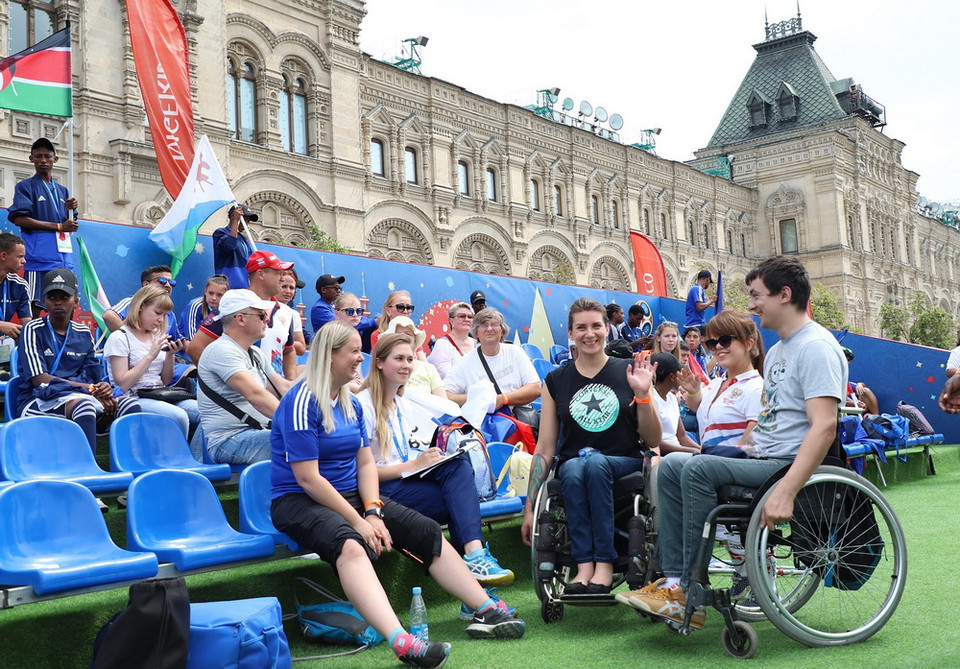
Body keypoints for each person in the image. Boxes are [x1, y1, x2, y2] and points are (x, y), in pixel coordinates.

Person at [269, 322, 525, 669]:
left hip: (352, 496)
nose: (360, 357)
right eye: (353, 351)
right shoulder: (301, 401)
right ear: (329, 356)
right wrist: (360, 522)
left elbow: (364, 465)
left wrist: (373, 511)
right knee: (351, 545)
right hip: (297, 501)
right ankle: (401, 641)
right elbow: (308, 479)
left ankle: (485, 608)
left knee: (426, 530)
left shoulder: (350, 405)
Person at [626, 255, 847, 630]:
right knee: (673, 464)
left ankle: (690, 593)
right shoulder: (778, 351)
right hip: (761, 456)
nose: (751, 303)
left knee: (696, 465)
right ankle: (677, 582)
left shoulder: (817, 347)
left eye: (756, 295)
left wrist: (787, 491)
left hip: (786, 465)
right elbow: (768, 419)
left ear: (784, 295)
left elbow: (824, 427)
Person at [520, 298, 661, 593]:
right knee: (572, 467)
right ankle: (584, 566)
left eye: (596, 325)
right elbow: (545, 448)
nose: (590, 333)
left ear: (607, 329)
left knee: (593, 464)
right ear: (570, 333)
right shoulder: (556, 381)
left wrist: (644, 395)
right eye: (581, 327)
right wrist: (530, 506)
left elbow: (653, 440)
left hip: (623, 460)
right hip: (576, 466)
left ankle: (605, 564)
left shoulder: (630, 371)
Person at [357, 332, 515, 587]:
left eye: (410, 359)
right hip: (376, 492)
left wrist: (425, 460)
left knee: (457, 467)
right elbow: (359, 472)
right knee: (459, 504)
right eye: (399, 359)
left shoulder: (402, 403)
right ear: (379, 362)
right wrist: (413, 465)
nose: (407, 365)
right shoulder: (362, 406)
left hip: (403, 483)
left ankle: (473, 564)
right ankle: (473, 571)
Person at [16, 269, 140, 453]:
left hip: (79, 396)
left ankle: (130, 462)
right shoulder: (31, 329)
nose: (58, 301)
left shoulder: (83, 332)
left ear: (76, 301)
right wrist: (87, 389)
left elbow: (93, 374)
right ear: (44, 301)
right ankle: (86, 466)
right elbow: (39, 380)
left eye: (64, 296)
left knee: (129, 404)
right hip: (37, 400)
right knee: (85, 406)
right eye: (52, 296)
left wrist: (101, 388)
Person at [196, 289, 293, 464]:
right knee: (304, 443)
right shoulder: (221, 350)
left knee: (316, 441)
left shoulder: (254, 352)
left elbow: (283, 388)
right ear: (240, 318)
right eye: (261, 315)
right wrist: (298, 423)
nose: (267, 320)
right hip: (229, 440)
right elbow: (256, 395)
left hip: (256, 432)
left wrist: (322, 390)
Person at [105, 285, 198, 439]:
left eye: (165, 315)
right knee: (179, 416)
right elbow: (122, 384)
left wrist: (170, 355)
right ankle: (175, 460)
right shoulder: (120, 337)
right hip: (134, 398)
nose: (161, 320)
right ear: (141, 307)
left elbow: (166, 381)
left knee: (207, 413)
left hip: (160, 394)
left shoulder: (157, 336)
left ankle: (196, 458)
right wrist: (150, 356)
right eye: (157, 313)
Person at [188, 251, 298, 381]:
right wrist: (222, 383)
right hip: (242, 398)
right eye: (277, 273)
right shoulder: (234, 306)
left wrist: (290, 384)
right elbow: (195, 348)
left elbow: (289, 351)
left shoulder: (286, 312)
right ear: (260, 274)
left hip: (274, 394)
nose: (282, 278)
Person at [680, 309, 765, 456]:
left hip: (730, 467)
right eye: (713, 343)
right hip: (707, 462)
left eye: (725, 340)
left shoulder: (756, 387)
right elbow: (695, 406)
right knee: (668, 463)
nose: (718, 347)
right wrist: (693, 391)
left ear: (748, 344)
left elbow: (754, 437)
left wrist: (727, 461)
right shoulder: (716, 383)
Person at [9, 138, 79, 315]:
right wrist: (58, 226)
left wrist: (72, 211)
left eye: (47, 156)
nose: (43, 160)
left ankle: (65, 342)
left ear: (55, 159)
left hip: (63, 259)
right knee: (34, 304)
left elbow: (70, 225)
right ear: (31, 158)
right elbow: (19, 219)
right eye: (38, 156)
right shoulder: (25, 186)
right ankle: (33, 340)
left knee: (66, 305)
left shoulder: (63, 190)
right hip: (39, 259)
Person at [444, 308, 540, 411]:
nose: (489, 329)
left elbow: (536, 388)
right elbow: (445, 395)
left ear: (502, 331)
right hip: (485, 423)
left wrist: (503, 399)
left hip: (519, 421)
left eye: (494, 324)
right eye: (484, 325)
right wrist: (477, 399)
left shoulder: (515, 352)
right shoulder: (465, 362)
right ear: (476, 332)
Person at [103, 265, 180, 336]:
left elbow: (178, 339)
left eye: (171, 282)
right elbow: (109, 316)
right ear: (146, 284)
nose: (168, 285)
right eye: (162, 280)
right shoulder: (132, 302)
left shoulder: (169, 313)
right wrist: (132, 340)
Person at [650, 353, 701, 455]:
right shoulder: (651, 398)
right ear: (672, 376)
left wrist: (703, 450)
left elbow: (682, 436)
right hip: (665, 456)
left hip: (679, 452)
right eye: (679, 372)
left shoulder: (672, 398)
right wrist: (695, 452)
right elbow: (654, 444)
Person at [384, 317, 445, 397]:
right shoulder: (383, 367)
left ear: (415, 340)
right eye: (398, 335)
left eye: (408, 334)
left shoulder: (429, 369)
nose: (403, 338)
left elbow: (443, 402)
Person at [0, 233, 32, 375]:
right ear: (3, 256)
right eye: (20, 256)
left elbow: (27, 324)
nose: (24, 261)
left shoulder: (20, 285)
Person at [212, 203, 257, 290]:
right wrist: (236, 221)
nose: (246, 224)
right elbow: (229, 247)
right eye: (244, 220)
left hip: (245, 288)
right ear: (233, 216)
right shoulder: (220, 233)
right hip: (227, 287)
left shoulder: (243, 240)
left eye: (248, 221)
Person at [427, 302, 476, 379]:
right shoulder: (442, 344)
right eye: (461, 316)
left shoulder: (479, 344)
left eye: (470, 317)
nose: (466, 319)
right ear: (451, 321)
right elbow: (447, 376)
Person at [179, 274, 229, 340]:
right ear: (205, 292)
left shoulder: (229, 309)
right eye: (211, 293)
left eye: (219, 295)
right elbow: (192, 339)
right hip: (186, 348)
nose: (214, 298)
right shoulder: (194, 306)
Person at [841, 347, 879, 415]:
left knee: (866, 390)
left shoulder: (847, 383)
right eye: (845, 359)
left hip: (858, 406)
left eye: (848, 360)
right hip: (843, 410)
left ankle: (876, 418)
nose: (848, 363)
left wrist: (859, 384)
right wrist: (855, 404)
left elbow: (861, 386)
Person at [277, 269, 307, 356]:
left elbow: (301, 349)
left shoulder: (293, 314)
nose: (288, 291)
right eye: (284, 286)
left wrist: (281, 341)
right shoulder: (263, 307)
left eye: (291, 288)